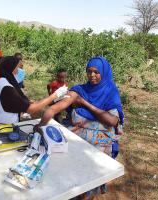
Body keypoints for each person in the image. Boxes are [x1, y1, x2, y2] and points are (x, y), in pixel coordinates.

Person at [38, 56, 124, 198]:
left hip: (96, 148)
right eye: (89, 71)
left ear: (104, 72)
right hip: (75, 143)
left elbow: (112, 120)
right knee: (66, 178)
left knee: (88, 181)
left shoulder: (111, 92)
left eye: (96, 72)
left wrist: (85, 104)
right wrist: (41, 125)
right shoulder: (79, 90)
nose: (92, 75)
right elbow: (54, 109)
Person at [0, 56, 68, 124]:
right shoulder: (6, 88)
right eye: (17, 68)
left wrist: (35, 102)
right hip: (2, 127)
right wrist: (56, 94)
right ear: (10, 69)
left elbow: (19, 103)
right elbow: (31, 109)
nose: (19, 71)